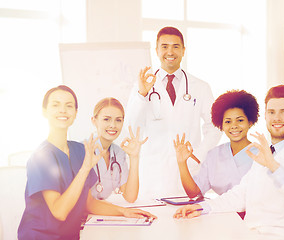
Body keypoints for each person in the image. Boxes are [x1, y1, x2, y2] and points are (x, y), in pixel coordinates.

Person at [174, 85, 284, 239]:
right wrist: (201, 207)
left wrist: (274, 167)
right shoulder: (265, 154)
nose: (277, 118)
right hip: (249, 233)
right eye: (271, 112)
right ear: (265, 116)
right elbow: (241, 194)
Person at [18, 85, 155, 240]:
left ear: (75, 113)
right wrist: (84, 169)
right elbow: (59, 212)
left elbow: (89, 203)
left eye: (69, 106)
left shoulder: (80, 150)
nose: (63, 110)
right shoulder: (40, 157)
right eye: (56, 105)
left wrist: (123, 212)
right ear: (44, 111)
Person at [125, 26, 222, 197]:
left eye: (176, 46)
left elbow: (214, 126)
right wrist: (142, 94)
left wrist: (198, 156)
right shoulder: (141, 86)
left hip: (186, 173)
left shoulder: (200, 87)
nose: (170, 51)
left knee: (187, 220)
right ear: (156, 50)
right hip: (152, 176)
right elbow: (131, 126)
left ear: (183, 50)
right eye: (164, 46)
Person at [173, 90, 259, 219]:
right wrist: (181, 163)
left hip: (254, 219)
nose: (234, 126)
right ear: (221, 125)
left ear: (250, 122)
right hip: (221, 215)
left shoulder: (262, 155)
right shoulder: (214, 155)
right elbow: (193, 193)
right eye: (228, 122)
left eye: (240, 120)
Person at [90, 97, 147, 202]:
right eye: (106, 119)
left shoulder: (118, 153)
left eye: (118, 120)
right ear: (94, 121)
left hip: (105, 214)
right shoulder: (82, 150)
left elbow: (130, 197)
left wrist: (134, 157)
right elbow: (85, 202)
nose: (113, 125)